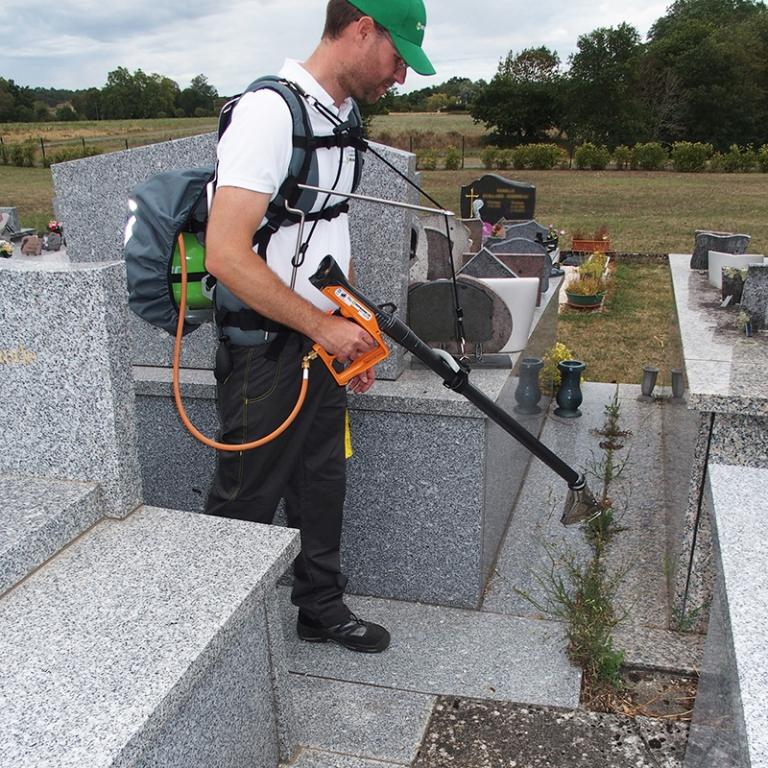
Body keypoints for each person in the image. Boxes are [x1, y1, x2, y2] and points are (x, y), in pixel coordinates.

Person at [204, 0, 435, 653]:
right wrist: (320, 327)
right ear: (362, 28)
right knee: (248, 495)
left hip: (321, 343)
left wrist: (351, 327)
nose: (402, 77)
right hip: (263, 352)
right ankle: (216, 642)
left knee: (322, 478)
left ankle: (320, 606)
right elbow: (225, 253)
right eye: (398, 58)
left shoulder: (343, 118)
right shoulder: (269, 114)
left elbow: (331, 231)